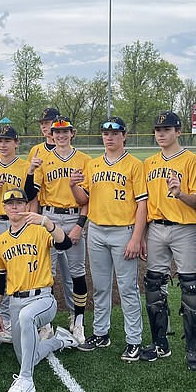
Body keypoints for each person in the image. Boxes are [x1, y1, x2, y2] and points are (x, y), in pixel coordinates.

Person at [0, 188, 79, 392]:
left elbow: (65, 243)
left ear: (27, 207)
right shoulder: (0, 241)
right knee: (26, 356)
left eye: (19, 203)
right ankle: (59, 341)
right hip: (15, 302)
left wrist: (47, 222)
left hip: (42, 299)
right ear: (4, 208)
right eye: (10, 204)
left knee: (27, 319)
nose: (14, 207)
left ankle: (26, 381)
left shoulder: (40, 231)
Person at [70, 117, 148, 359]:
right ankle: (101, 333)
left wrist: (136, 237)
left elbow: (142, 203)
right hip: (96, 230)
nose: (109, 137)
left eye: (115, 133)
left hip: (122, 231)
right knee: (101, 288)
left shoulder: (135, 165)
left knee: (127, 288)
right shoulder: (93, 165)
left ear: (124, 136)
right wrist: (73, 186)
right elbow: (83, 200)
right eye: (105, 133)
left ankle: (134, 339)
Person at [142, 111, 196, 370]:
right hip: (156, 228)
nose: (161, 133)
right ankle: (160, 344)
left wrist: (180, 194)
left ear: (179, 131)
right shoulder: (149, 162)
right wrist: (143, 234)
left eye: (167, 129)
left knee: (192, 288)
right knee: (154, 286)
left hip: (184, 228)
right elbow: (145, 201)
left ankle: (194, 349)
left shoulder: (192, 161)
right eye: (158, 129)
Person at [29, 116, 89, 340]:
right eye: (57, 132)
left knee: (77, 272)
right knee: (47, 273)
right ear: (50, 135)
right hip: (50, 217)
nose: (61, 136)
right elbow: (30, 193)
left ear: (72, 133)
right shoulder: (43, 159)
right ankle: (46, 322)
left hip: (73, 217)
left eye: (65, 132)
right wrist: (30, 170)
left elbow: (87, 200)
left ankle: (78, 319)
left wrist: (79, 227)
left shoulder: (84, 160)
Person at [0, 125, 36, 343]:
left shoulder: (24, 166)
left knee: (20, 265)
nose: (3, 144)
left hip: (19, 222)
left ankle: (24, 314)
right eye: (0, 140)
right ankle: (2, 317)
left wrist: (30, 173)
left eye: (7, 141)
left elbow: (30, 196)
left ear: (16, 143)